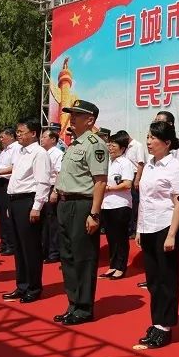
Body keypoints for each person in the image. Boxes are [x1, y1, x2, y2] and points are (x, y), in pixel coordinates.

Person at [53, 100, 108, 326]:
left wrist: (94, 214)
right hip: (66, 204)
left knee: (83, 258)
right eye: (71, 114)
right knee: (67, 257)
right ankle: (73, 303)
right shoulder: (73, 144)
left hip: (83, 205)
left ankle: (84, 308)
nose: (72, 118)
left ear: (90, 120)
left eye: (77, 114)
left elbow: (100, 182)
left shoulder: (95, 144)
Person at [135, 120, 179, 349]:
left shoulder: (176, 167)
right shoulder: (149, 165)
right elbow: (144, 201)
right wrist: (139, 228)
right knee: (154, 281)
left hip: (166, 227)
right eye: (147, 137)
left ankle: (165, 327)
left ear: (166, 143)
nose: (148, 142)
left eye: (153, 138)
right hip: (148, 226)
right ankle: (156, 322)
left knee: (166, 280)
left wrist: (171, 235)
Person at [3, 117, 52, 303]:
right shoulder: (20, 152)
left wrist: (37, 207)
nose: (18, 135)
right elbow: (16, 178)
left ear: (33, 133)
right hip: (15, 201)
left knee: (30, 247)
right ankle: (21, 285)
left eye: (22, 132)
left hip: (29, 202)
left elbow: (43, 182)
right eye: (18, 131)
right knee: (18, 246)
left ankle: (33, 287)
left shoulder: (39, 153)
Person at [100, 130, 136, 279]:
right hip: (106, 205)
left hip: (120, 205)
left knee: (120, 237)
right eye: (109, 144)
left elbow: (127, 184)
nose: (110, 147)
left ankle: (121, 267)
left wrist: (108, 188)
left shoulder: (125, 163)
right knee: (111, 237)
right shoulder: (107, 162)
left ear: (122, 148)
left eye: (114, 145)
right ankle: (112, 266)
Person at [0, 127, 18, 256]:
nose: (0, 139)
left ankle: (11, 244)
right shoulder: (4, 151)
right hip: (0, 182)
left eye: (3, 136)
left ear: (11, 136)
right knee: (1, 215)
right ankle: (4, 243)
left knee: (8, 215)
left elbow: (14, 167)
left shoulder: (16, 148)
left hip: (9, 182)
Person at [42, 128, 64, 263]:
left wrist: (55, 191)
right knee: (44, 222)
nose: (42, 139)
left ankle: (54, 252)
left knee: (52, 222)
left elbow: (59, 174)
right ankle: (45, 250)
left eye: (45, 137)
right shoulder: (42, 153)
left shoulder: (57, 154)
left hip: (52, 188)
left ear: (53, 140)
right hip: (42, 189)